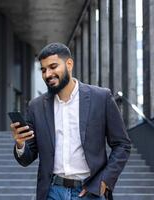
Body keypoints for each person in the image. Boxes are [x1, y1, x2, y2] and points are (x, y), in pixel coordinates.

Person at [10, 43, 131, 200]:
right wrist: (20, 144)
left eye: (53, 67)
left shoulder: (101, 98)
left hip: (90, 192)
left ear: (69, 64)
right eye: (44, 69)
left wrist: (104, 181)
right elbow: (27, 158)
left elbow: (122, 144)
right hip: (52, 191)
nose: (48, 74)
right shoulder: (36, 106)